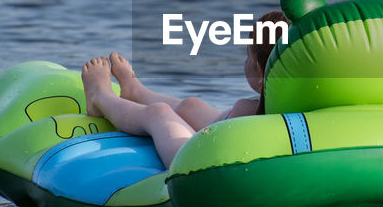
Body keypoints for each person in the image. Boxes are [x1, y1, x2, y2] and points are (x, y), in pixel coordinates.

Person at [81, 10, 286, 167]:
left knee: (158, 113)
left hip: (197, 165)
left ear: (260, 71)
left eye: (248, 55)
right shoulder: (286, 104)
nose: (246, 61)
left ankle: (101, 97)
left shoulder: (247, 112)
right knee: (191, 105)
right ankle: (135, 91)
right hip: (220, 147)